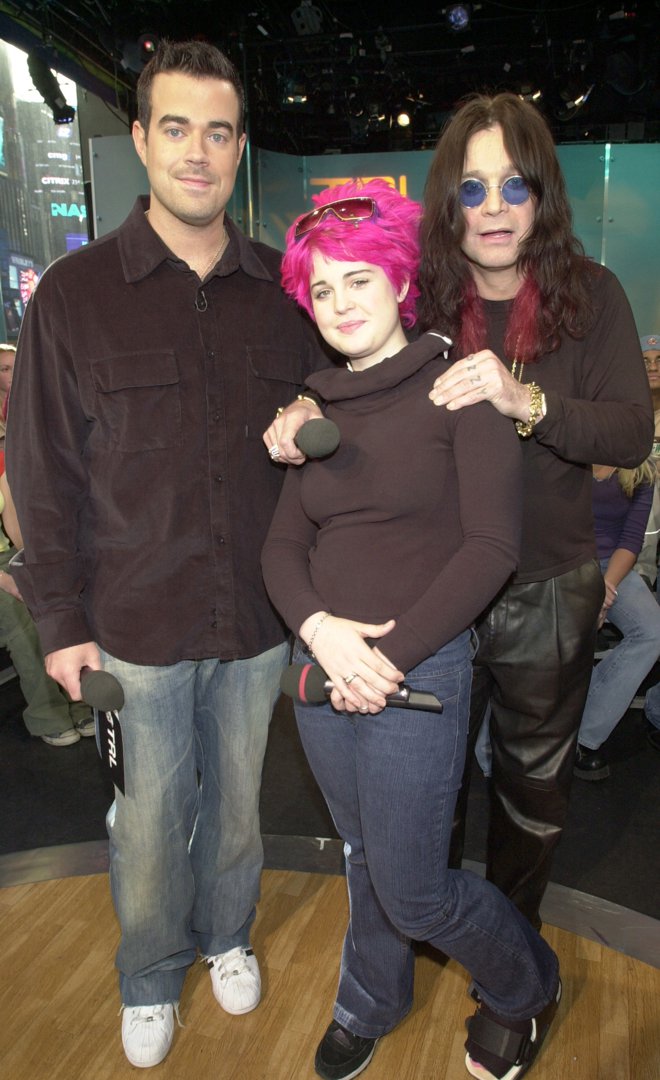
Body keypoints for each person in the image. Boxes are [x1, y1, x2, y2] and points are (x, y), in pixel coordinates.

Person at [5, 39, 338, 1070]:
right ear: (142, 139)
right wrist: (59, 622)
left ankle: (228, 935)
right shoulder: (72, 295)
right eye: (178, 127)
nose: (199, 152)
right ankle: (150, 972)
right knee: (145, 824)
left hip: (253, 620)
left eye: (221, 131)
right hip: (131, 627)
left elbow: (334, 441)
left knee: (238, 809)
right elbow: (42, 471)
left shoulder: (289, 292)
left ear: (241, 149)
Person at [266, 94, 653, 931]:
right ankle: (428, 928)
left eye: (513, 186)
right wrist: (301, 409)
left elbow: (630, 431)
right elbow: (347, 367)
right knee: (420, 792)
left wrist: (527, 398)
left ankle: (508, 959)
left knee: (528, 792)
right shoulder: (427, 299)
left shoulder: (592, 293)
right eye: (472, 190)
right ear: (448, 203)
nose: (494, 209)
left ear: (543, 195)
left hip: (546, 583)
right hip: (432, 590)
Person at [262, 179, 560, 1080]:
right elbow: (281, 548)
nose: (341, 303)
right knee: (363, 856)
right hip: (327, 677)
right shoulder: (312, 411)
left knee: (418, 890)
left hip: (414, 680)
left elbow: (492, 548)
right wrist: (324, 634)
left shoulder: (459, 390)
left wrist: (381, 659)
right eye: (322, 290)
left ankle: (525, 983)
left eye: (358, 280)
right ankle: (372, 997)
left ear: (397, 282)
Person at [573, 459, 660, 778]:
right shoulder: (569, 454)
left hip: (613, 566)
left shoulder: (642, 471)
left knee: (653, 632)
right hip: (567, 560)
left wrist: (607, 586)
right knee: (568, 635)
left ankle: (583, 735)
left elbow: (631, 539)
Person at [0, 471, 95, 745]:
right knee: (22, 624)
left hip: (7, 560)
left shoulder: (4, 467)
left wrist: (40, 576)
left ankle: (78, 701)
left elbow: (18, 535)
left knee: (53, 602)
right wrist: (7, 582)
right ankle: (48, 714)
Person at [635, 334, 660, 750]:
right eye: (645, 359)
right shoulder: (626, 417)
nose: (653, 365)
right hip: (626, 552)